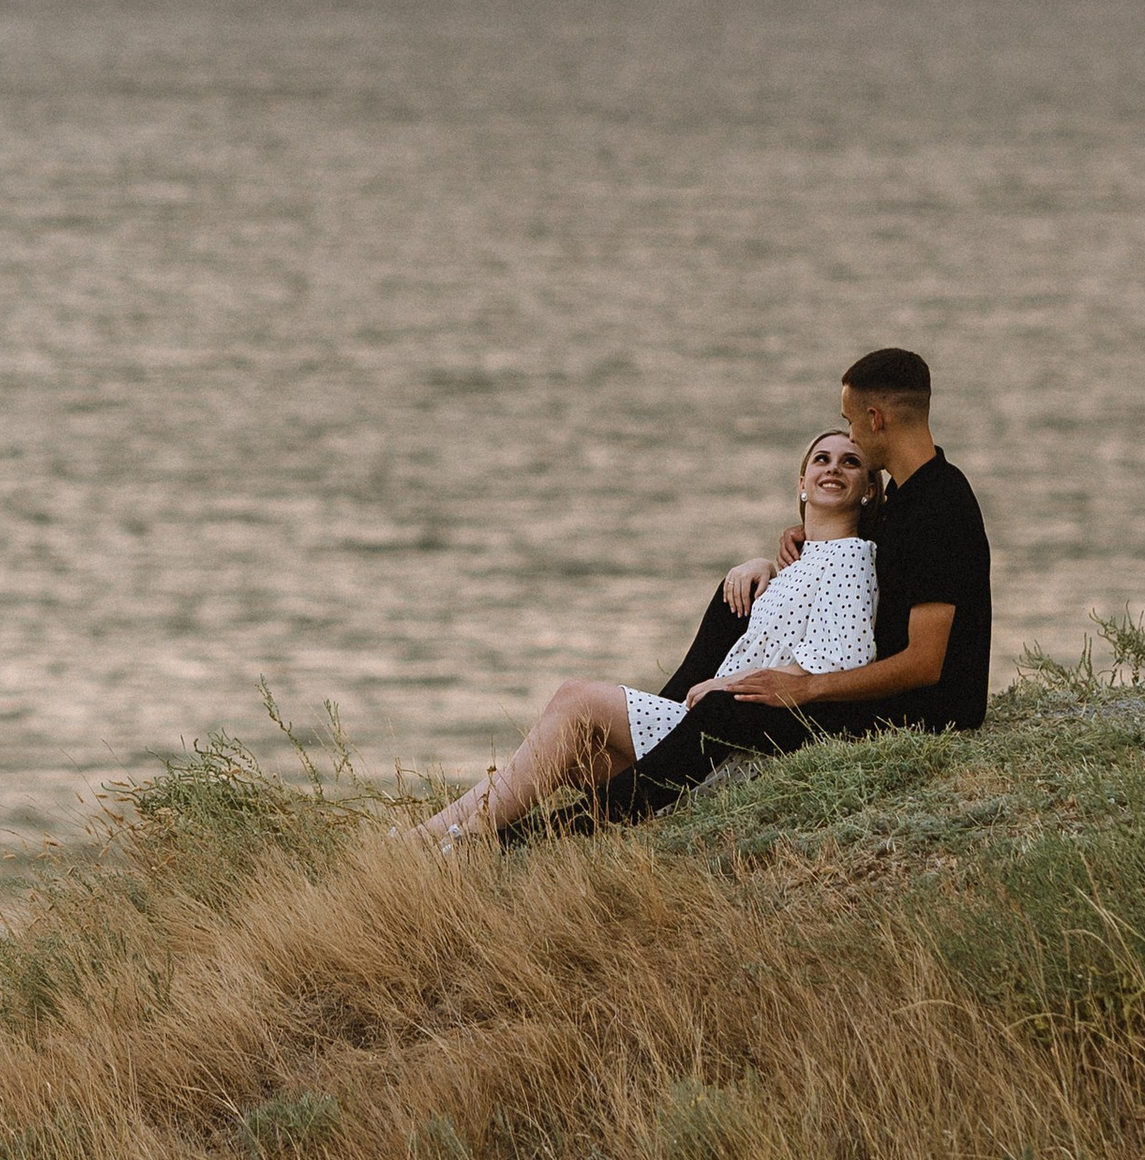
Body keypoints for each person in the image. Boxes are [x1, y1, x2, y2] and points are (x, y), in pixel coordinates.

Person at [421, 429, 882, 848]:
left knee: (577, 698)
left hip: (733, 745)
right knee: (577, 754)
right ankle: (442, 839)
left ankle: (462, 837)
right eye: (821, 459)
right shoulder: (802, 562)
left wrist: (726, 684)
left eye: (851, 462)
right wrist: (762, 565)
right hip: (704, 732)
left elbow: (840, 661)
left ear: (869, 490)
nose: (833, 468)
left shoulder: (853, 558)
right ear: (802, 483)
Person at [611, 347, 992, 815]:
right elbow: (863, 552)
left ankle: (601, 816)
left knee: (725, 709)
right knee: (735, 611)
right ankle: (642, 753)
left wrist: (807, 689)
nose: (851, 435)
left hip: (921, 714)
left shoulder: (938, 508)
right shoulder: (906, 495)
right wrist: (794, 545)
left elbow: (924, 665)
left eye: (850, 422)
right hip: (884, 696)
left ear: (875, 419)